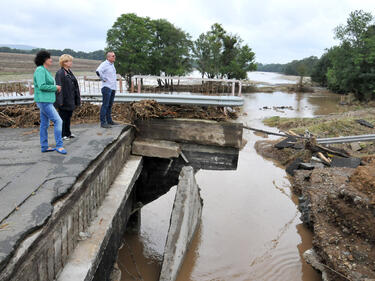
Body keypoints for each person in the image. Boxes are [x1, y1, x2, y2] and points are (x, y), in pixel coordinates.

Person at [33, 51, 67, 154]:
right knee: (58, 121)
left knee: (44, 124)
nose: (51, 59)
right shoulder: (40, 70)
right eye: (49, 58)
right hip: (44, 101)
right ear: (44, 59)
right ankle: (59, 145)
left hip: (46, 100)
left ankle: (44, 146)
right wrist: (55, 87)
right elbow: (41, 85)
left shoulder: (45, 70)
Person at [55, 54, 81, 140]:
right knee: (63, 118)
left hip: (70, 99)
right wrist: (60, 101)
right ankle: (62, 135)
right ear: (64, 62)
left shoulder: (69, 72)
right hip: (64, 99)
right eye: (69, 61)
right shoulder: (60, 73)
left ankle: (68, 133)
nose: (71, 63)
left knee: (68, 117)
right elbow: (59, 88)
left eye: (71, 61)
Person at [96, 51, 118, 128]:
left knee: (110, 105)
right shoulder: (104, 64)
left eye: (114, 56)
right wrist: (103, 78)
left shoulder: (112, 65)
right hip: (107, 87)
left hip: (112, 87)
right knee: (105, 105)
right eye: (113, 56)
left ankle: (109, 121)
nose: (114, 57)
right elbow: (98, 71)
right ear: (108, 57)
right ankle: (103, 122)